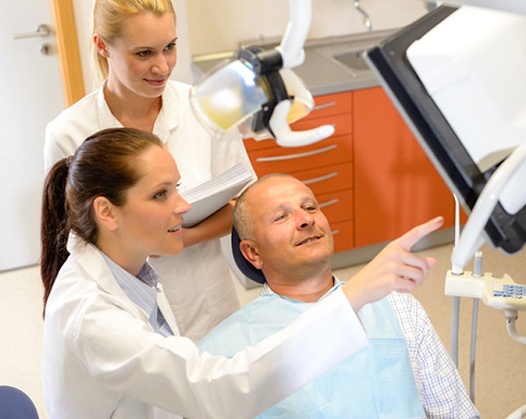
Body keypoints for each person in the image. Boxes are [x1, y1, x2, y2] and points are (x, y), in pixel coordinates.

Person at [41, 128, 446, 418]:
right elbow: (218, 389)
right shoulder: (93, 315)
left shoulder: (133, 272)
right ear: (106, 212)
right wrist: (354, 294)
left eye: (177, 187)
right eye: (161, 194)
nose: (183, 205)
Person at [43, 0, 255, 342]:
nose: (162, 66)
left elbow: (245, 207)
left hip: (208, 302)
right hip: (123, 314)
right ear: (102, 45)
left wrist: (183, 238)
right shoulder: (69, 133)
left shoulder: (205, 108)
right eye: (143, 53)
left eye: (169, 48)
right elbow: (73, 243)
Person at [198, 173, 481, 418]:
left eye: (309, 206)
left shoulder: (397, 307)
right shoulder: (223, 351)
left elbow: (455, 413)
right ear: (253, 253)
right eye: (281, 216)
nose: (306, 219)